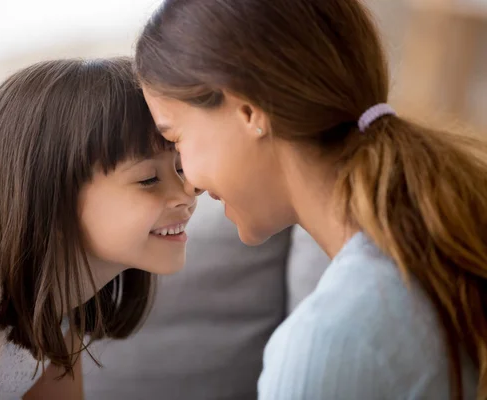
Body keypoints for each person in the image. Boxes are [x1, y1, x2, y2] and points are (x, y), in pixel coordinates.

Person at [134, 0, 487, 398]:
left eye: (177, 138)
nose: (189, 181)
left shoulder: (330, 340)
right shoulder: (430, 256)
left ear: (248, 110)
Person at [0, 57, 198, 399]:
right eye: (149, 178)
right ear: (53, 195)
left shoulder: (60, 302)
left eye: (182, 168)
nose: (188, 192)